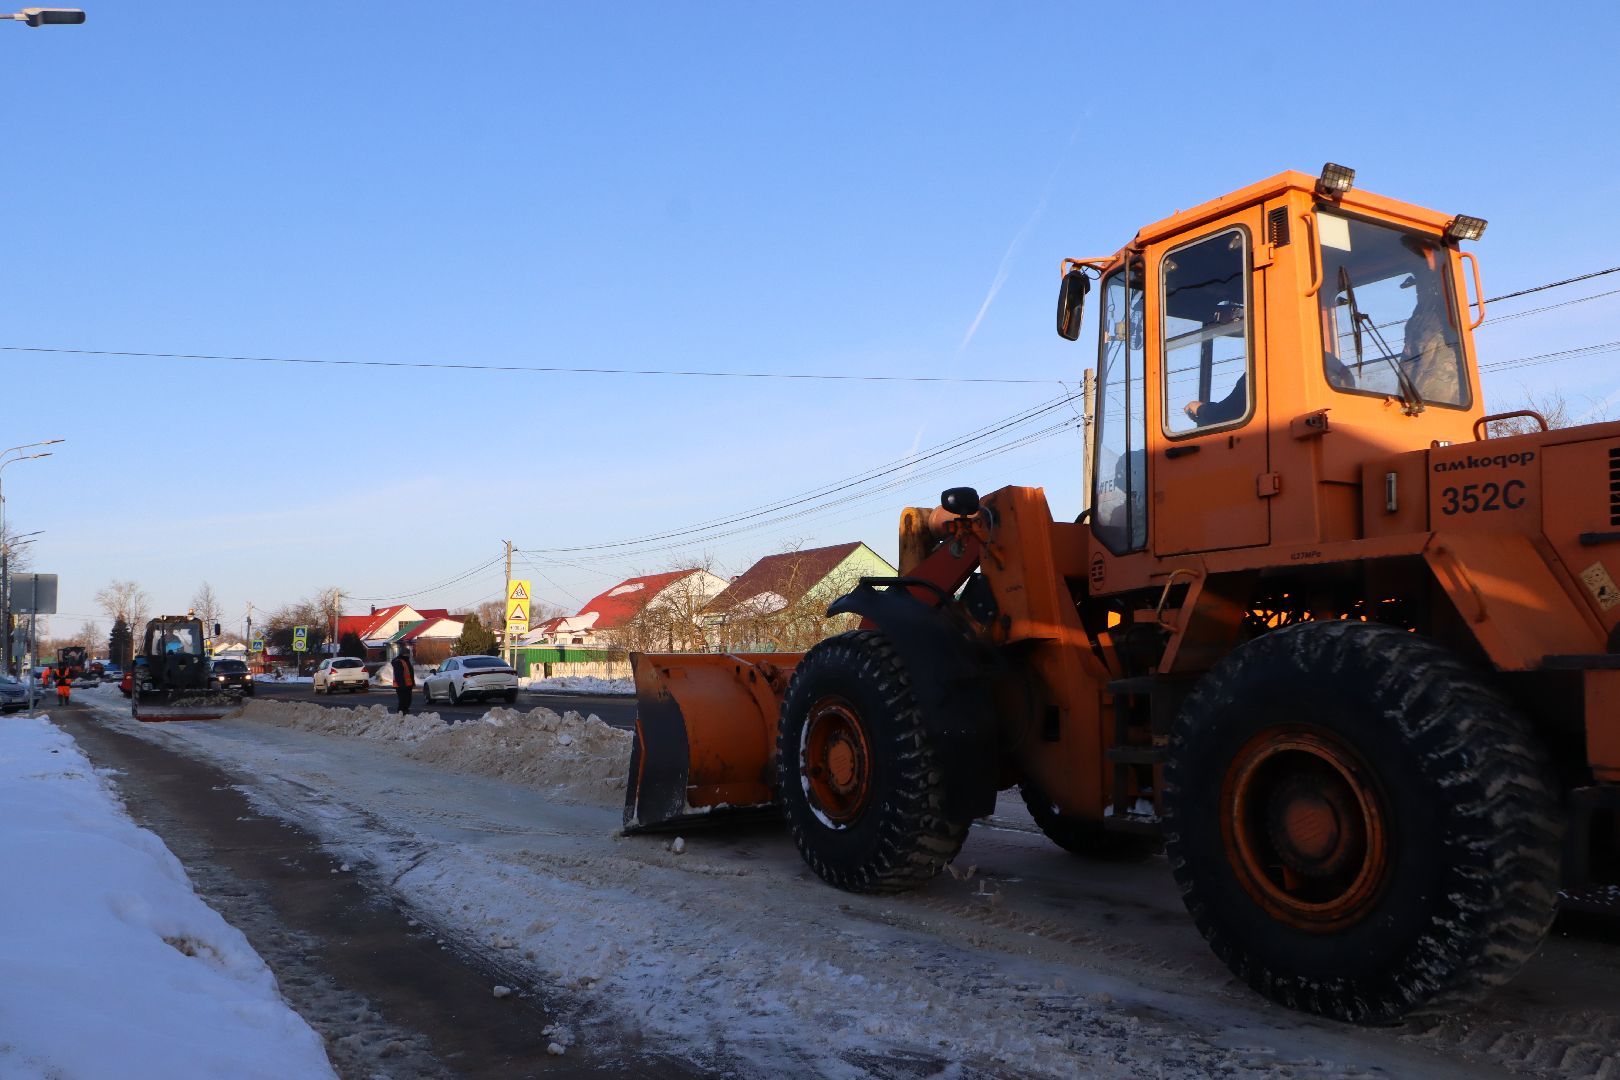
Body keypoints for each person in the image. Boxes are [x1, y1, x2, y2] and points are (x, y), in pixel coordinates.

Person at [390, 646, 415, 715]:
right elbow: (399, 675)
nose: (408, 655)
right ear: (403, 654)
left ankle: (405, 713)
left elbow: (410, 673)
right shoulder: (399, 662)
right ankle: (400, 714)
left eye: (408, 653)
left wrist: (412, 683)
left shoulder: (406, 661)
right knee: (403, 701)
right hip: (401, 686)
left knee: (408, 701)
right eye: (407, 654)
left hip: (408, 685)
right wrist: (402, 685)